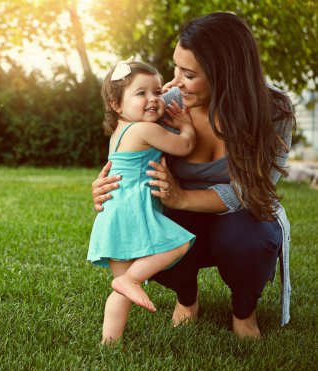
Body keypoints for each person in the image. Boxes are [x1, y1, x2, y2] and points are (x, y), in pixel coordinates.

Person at [91, 12, 295, 338]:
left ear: (225, 75)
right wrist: (108, 189)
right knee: (145, 232)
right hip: (181, 215)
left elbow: (253, 191)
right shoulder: (168, 105)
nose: (175, 82)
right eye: (176, 68)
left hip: (241, 213)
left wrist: (181, 196)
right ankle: (187, 298)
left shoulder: (272, 112)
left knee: (249, 241)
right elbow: (127, 150)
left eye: (189, 74)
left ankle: (244, 312)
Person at [87, 60, 196, 344]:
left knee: (119, 295)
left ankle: (109, 344)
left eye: (158, 92)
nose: (153, 100)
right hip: (133, 214)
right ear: (116, 104)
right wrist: (185, 125)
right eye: (141, 93)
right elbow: (184, 146)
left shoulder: (120, 131)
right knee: (179, 243)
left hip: (113, 217)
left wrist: (164, 90)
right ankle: (132, 279)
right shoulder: (144, 131)